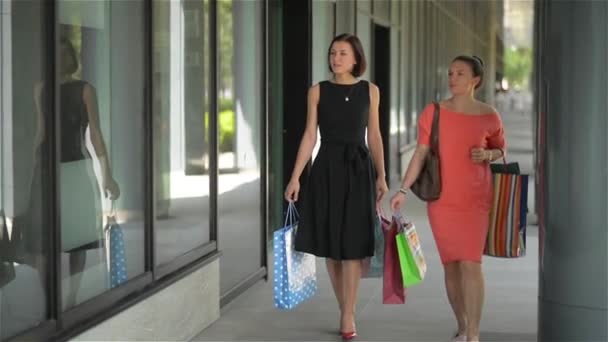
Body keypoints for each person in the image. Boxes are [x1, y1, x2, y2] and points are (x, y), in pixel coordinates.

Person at [390, 56, 506, 342]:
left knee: (471, 263)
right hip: (442, 201)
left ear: (475, 80)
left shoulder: (489, 114)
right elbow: (420, 153)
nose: (452, 78)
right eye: (451, 72)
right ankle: (462, 323)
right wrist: (403, 189)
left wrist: (488, 154)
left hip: (477, 198)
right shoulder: (434, 112)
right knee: (452, 264)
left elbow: (500, 149)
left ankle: (474, 334)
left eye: (460, 73)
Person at [284, 33, 388, 340]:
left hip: (359, 169)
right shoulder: (317, 91)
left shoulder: (370, 91)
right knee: (331, 247)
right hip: (326, 169)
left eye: (343, 53)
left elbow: (376, 136)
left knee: (353, 246)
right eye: (332, 53)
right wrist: (295, 177)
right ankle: (347, 307)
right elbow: (308, 136)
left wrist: (381, 175)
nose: (336, 58)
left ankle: (347, 312)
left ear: (356, 59)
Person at [32, 38, 120, 309]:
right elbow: (41, 132)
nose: (60, 59)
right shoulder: (40, 88)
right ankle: (51, 303)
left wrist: (107, 175)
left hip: (73, 168)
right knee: (43, 240)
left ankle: (70, 299)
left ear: (71, 58)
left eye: (65, 54)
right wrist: (28, 170)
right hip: (45, 169)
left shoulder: (84, 89)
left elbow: (95, 134)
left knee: (78, 238)